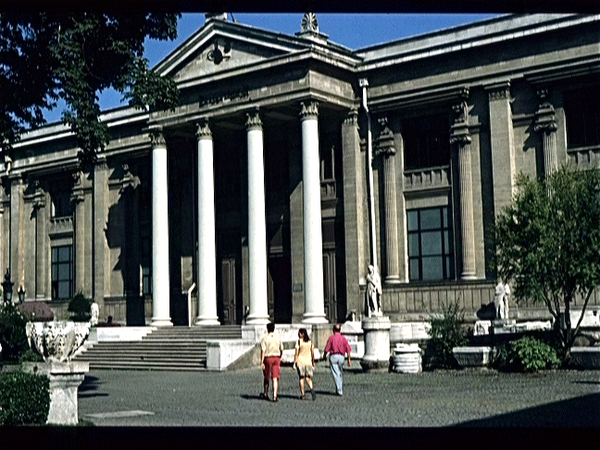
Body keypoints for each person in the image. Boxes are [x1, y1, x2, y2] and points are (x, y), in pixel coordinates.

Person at [324, 324, 352, 396]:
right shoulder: (343, 339)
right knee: (339, 373)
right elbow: (348, 350)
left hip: (333, 356)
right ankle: (338, 389)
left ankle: (339, 390)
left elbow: (327, 348)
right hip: (341, 357)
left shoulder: (331, 338)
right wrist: (349, 359)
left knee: (336, 374)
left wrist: (324, 356)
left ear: (333, 330)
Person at [260, 322, 283, 402]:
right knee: (275, 378)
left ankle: (266, 393)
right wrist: (280, 356)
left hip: (268, 358)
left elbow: (263, 350)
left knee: (267, 376)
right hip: (276, 357)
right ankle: (275, 396)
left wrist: (262, 361)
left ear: (267, 329)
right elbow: (281, 349)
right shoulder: (278, 338)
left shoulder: (265, 338)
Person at [293, 328, 316, 400]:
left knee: (301, 378)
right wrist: (313, 362)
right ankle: (311, 389)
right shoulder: (310, 342)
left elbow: (296, 353)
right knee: (308, 378)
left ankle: (303, 394)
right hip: (308, 361)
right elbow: (312, 353)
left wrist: (294, 362)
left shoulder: (299, 342)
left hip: (300, 361)